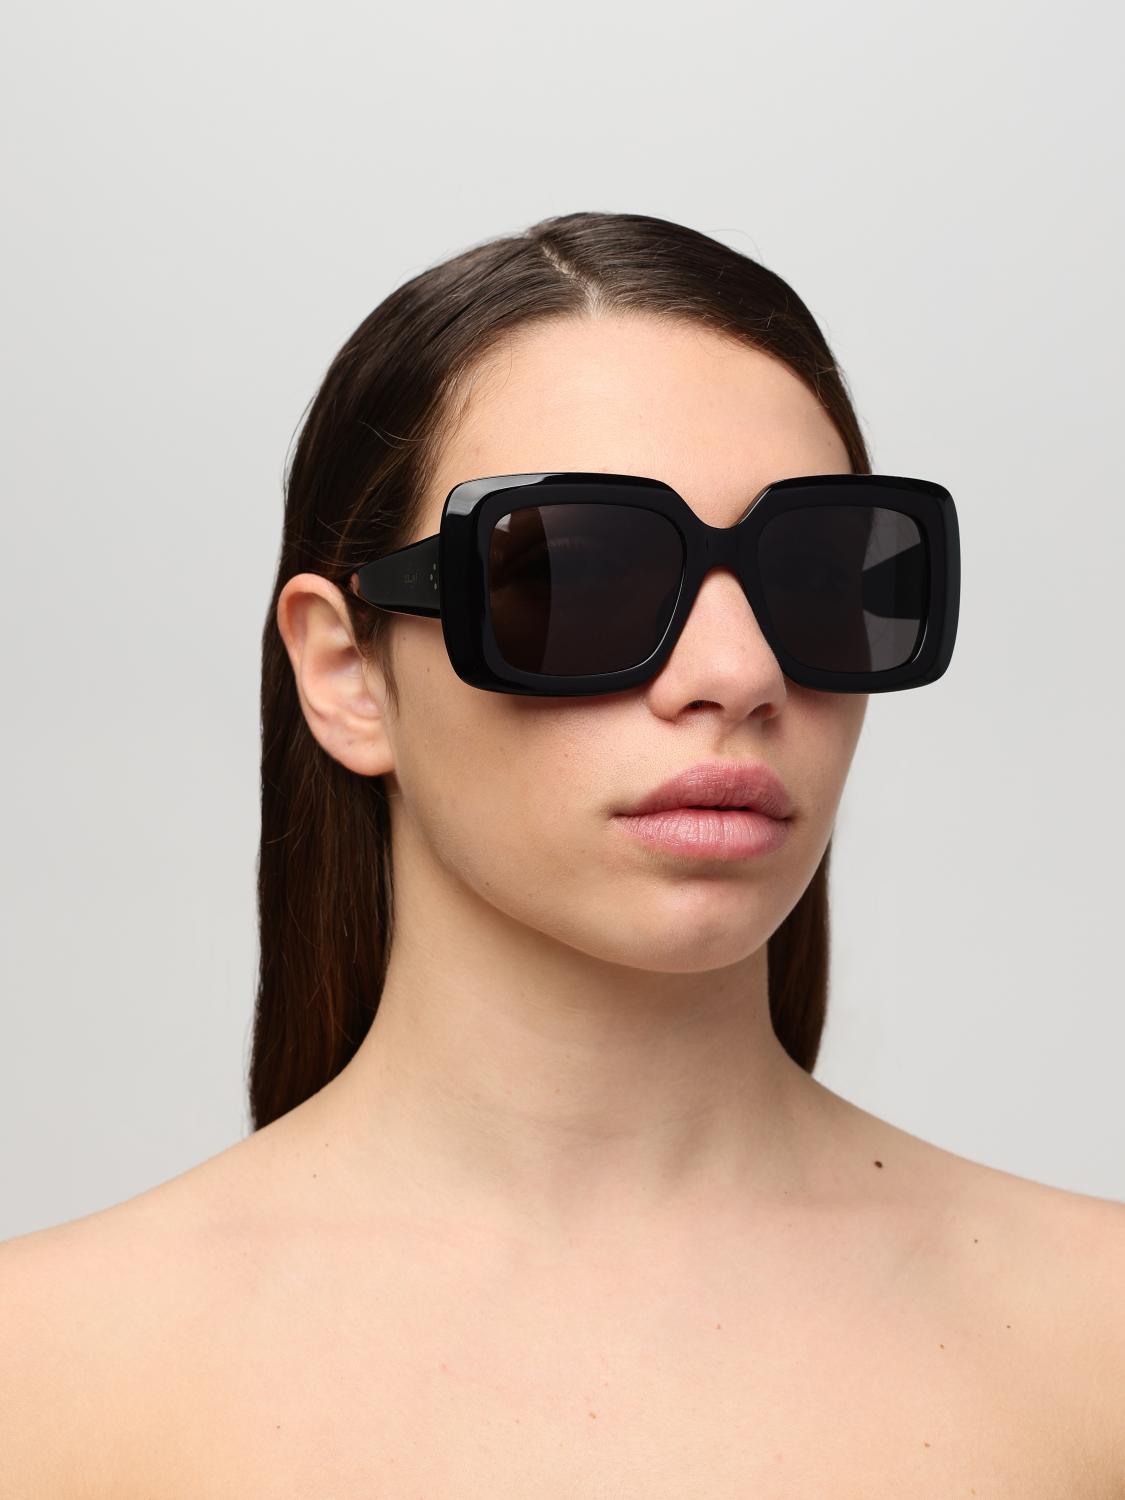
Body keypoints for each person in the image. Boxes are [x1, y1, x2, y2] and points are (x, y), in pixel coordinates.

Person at [2, 211, 1121, 1492]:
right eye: (576, 578)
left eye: (819, 579)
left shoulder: (1099, 1342)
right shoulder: (38, 1376)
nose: (738, 673)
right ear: (347, 672)